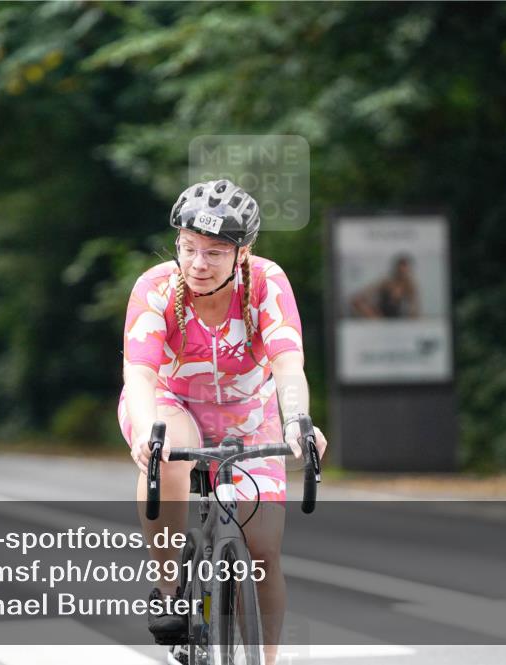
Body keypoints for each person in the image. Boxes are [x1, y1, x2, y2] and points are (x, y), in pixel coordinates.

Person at [118, 179, 328, 665]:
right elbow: (140, 372)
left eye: (214, 252)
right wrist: (148, 431)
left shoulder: (267, 282)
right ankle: (169, 588)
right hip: (171, 402)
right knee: (167, 450)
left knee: (264, 553)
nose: (198, 263)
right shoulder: (154, 287)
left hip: (249, 414)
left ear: (243, 253)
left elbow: (287, 364)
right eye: (188, 247)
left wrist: (298, 421)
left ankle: (267, 659)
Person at [349, 253, 420, 319]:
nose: (402, 274)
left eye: (404, 272)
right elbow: (366, 292)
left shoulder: (409, 286)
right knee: (357, 301)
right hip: (380, 316)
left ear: (408, 271)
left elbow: (414, 307)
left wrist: (412, 316)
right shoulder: (386, 282)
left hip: (397, 317)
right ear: (396, 270)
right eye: (400, 271)